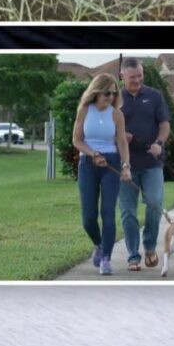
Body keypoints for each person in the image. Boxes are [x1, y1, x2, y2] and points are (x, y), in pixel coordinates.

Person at [72, 73, 131, 275]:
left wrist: (126, 166)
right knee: (88, 218)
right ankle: (98, 244)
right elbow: (77, 140)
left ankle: (106, 258)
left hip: (111, 164)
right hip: (87, 163)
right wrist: (93, 153)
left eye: (114, 94)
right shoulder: (84, 110)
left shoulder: (116, 115)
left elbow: (122, 142)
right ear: (97, 92)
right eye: (107, 94)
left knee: (108, 214)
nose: (111, 98)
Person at [118, 58, 170, 271]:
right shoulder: (114, 98)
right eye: (133, 77)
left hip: (152, 162)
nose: (137, 80)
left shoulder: (155, 96)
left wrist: (159, 143)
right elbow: (104, 128)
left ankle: (149, 246)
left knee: (155, 204)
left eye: (140, 75)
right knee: (128, 212)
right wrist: (120, 136)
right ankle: (133, 255)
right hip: (125, 164)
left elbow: (164, 125)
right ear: (122, 76)